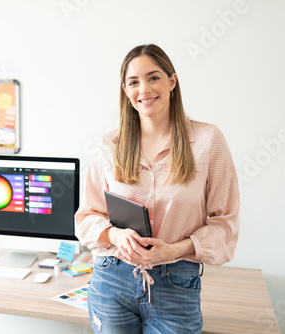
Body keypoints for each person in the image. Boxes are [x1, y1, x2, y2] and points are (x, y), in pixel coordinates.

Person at [75, 44, 240, 334]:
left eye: (153, 78)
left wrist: (173, 250)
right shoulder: (109, 145)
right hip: (111, 277)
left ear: (172, 82)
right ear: (125, 91)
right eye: (134, 82)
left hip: (176, 281)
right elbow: (87, 216)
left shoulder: (208, 140)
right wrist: (115, 234)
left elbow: (225, 225)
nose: (144, 89)